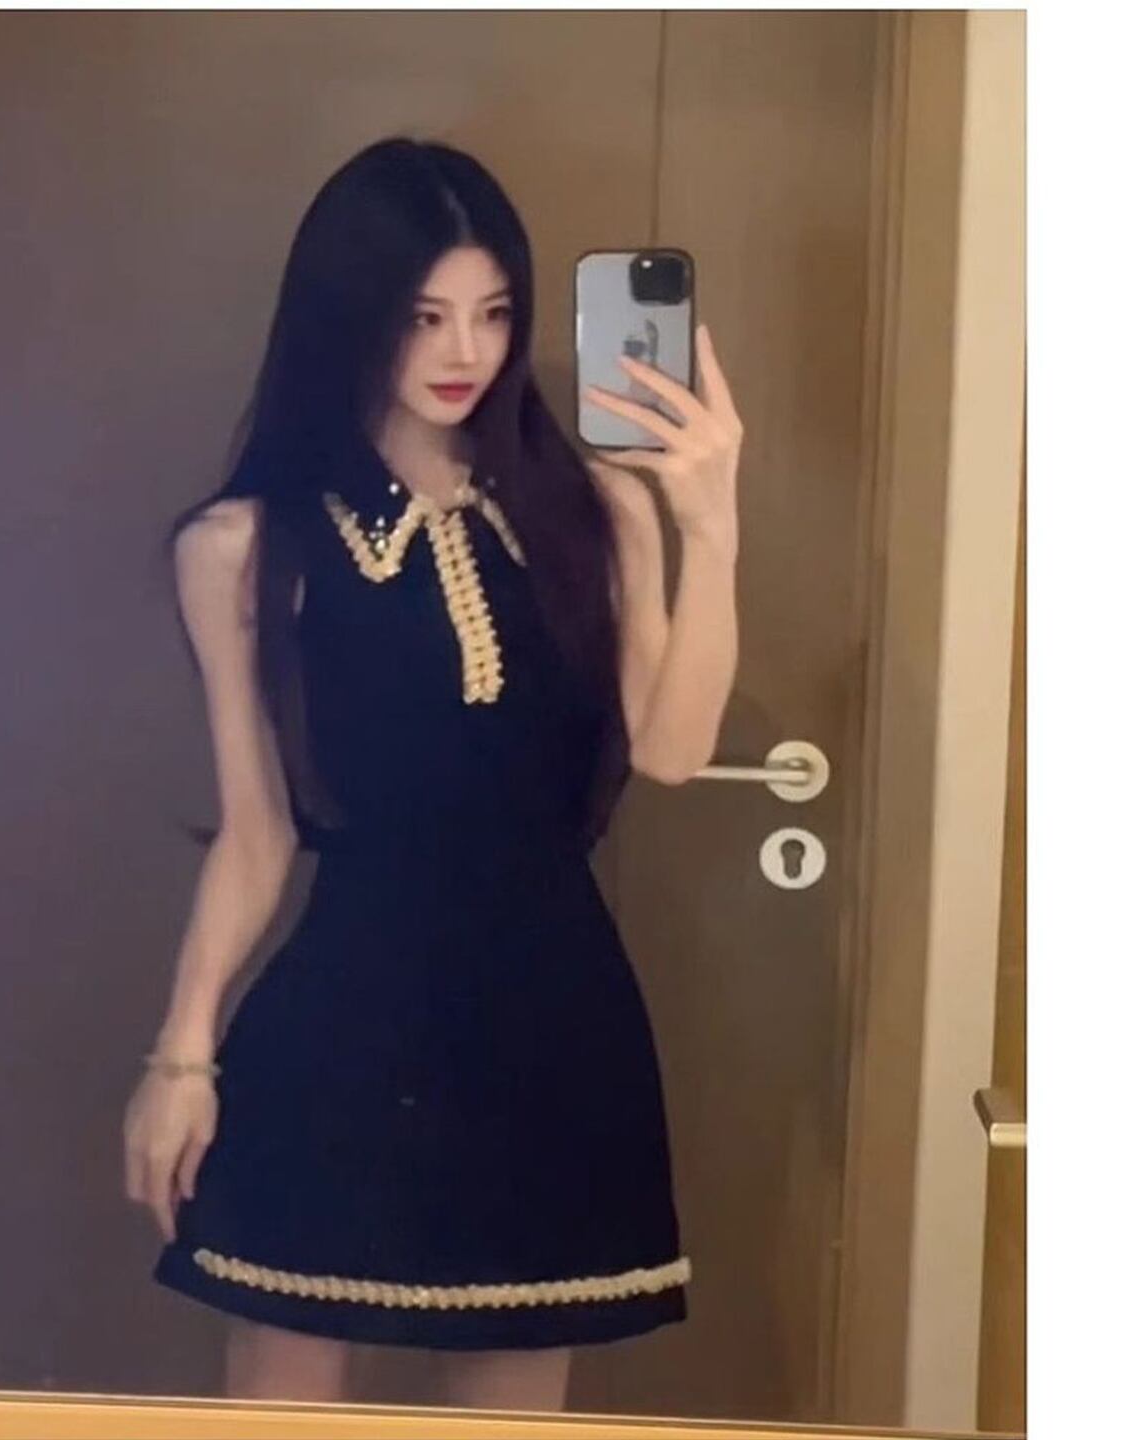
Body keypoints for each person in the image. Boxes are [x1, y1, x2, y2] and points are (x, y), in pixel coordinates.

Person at [122, 136, 743, 1412]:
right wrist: (182, 1058)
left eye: (494, 313)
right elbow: (256, 833)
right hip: (344, 1021)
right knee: (282, 1403)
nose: (466, 350)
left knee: (512, 1405)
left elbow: (674, 751)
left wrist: (711, 526)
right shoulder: (243, 546)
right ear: (349, 316)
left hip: (552, 1020)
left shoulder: (593, 509)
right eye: (424, 316)